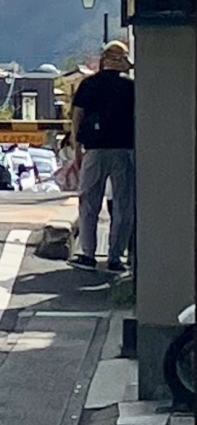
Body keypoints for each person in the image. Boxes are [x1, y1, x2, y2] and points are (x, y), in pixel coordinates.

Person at [71, 40, 136, 273]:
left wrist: (76, 148)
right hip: (125, 150)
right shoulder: (131, 87)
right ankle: (116, 258)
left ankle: (87, 254)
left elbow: (77, 116)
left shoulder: (89, 84)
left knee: (89, 202)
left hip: (95, 150)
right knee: (123, 204)